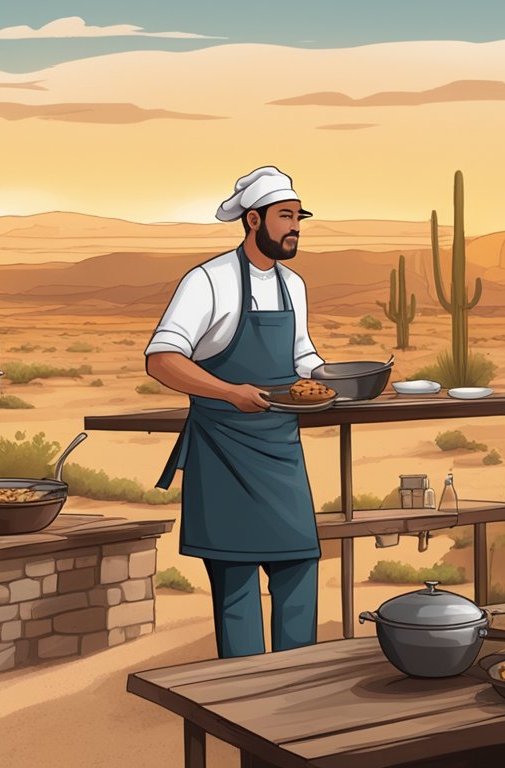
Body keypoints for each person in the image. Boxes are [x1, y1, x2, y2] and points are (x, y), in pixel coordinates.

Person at [145, 166, 324, 658]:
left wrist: (338, 378)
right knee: (237, 584)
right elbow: (162, 360)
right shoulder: (208, 281)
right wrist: (228, 391)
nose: (295, 227)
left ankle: (299, 690)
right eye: (285, 216)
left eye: (297, 217)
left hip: (280, 450)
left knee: (300, 568)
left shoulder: (294, 285)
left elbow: (302, 356)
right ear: (253, 220)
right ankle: (245, 704)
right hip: (223, 451)